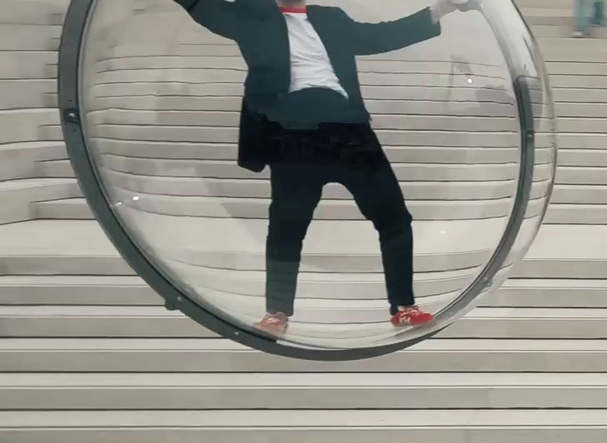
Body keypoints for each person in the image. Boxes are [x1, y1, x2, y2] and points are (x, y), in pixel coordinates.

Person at [171, 0, 470, 336]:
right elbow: (203, 6)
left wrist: (442, 9)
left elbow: (381, 37)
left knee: (394, 216)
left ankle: (403, 307)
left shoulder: (330, 18)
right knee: (287, 224)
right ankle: (276, 313)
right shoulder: (251, 15)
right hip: (292, 127)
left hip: (347, 126)